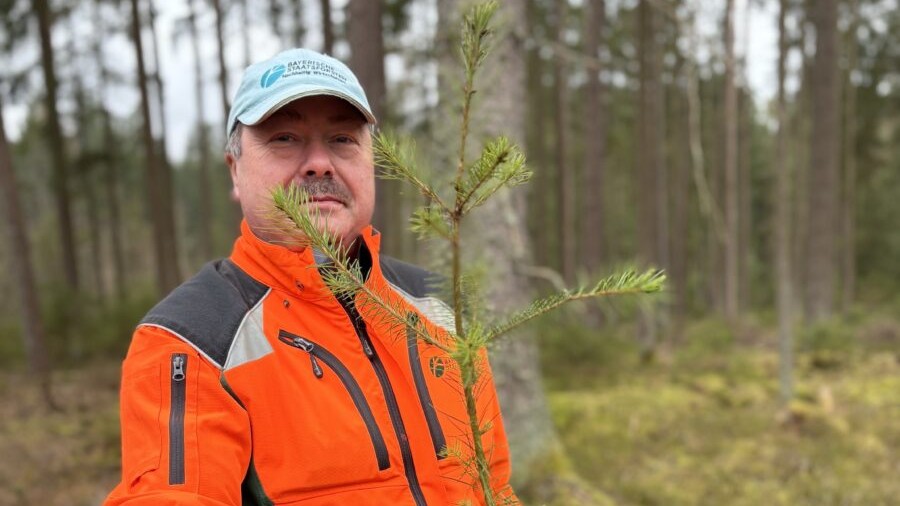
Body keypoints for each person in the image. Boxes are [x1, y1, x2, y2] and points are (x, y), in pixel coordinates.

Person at [105, 48, 516, 506]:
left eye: (342, 139)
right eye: (284, 138)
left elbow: (495, 486)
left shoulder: (439, 306)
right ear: (235, 170)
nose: (319, 162)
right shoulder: (192, 338)